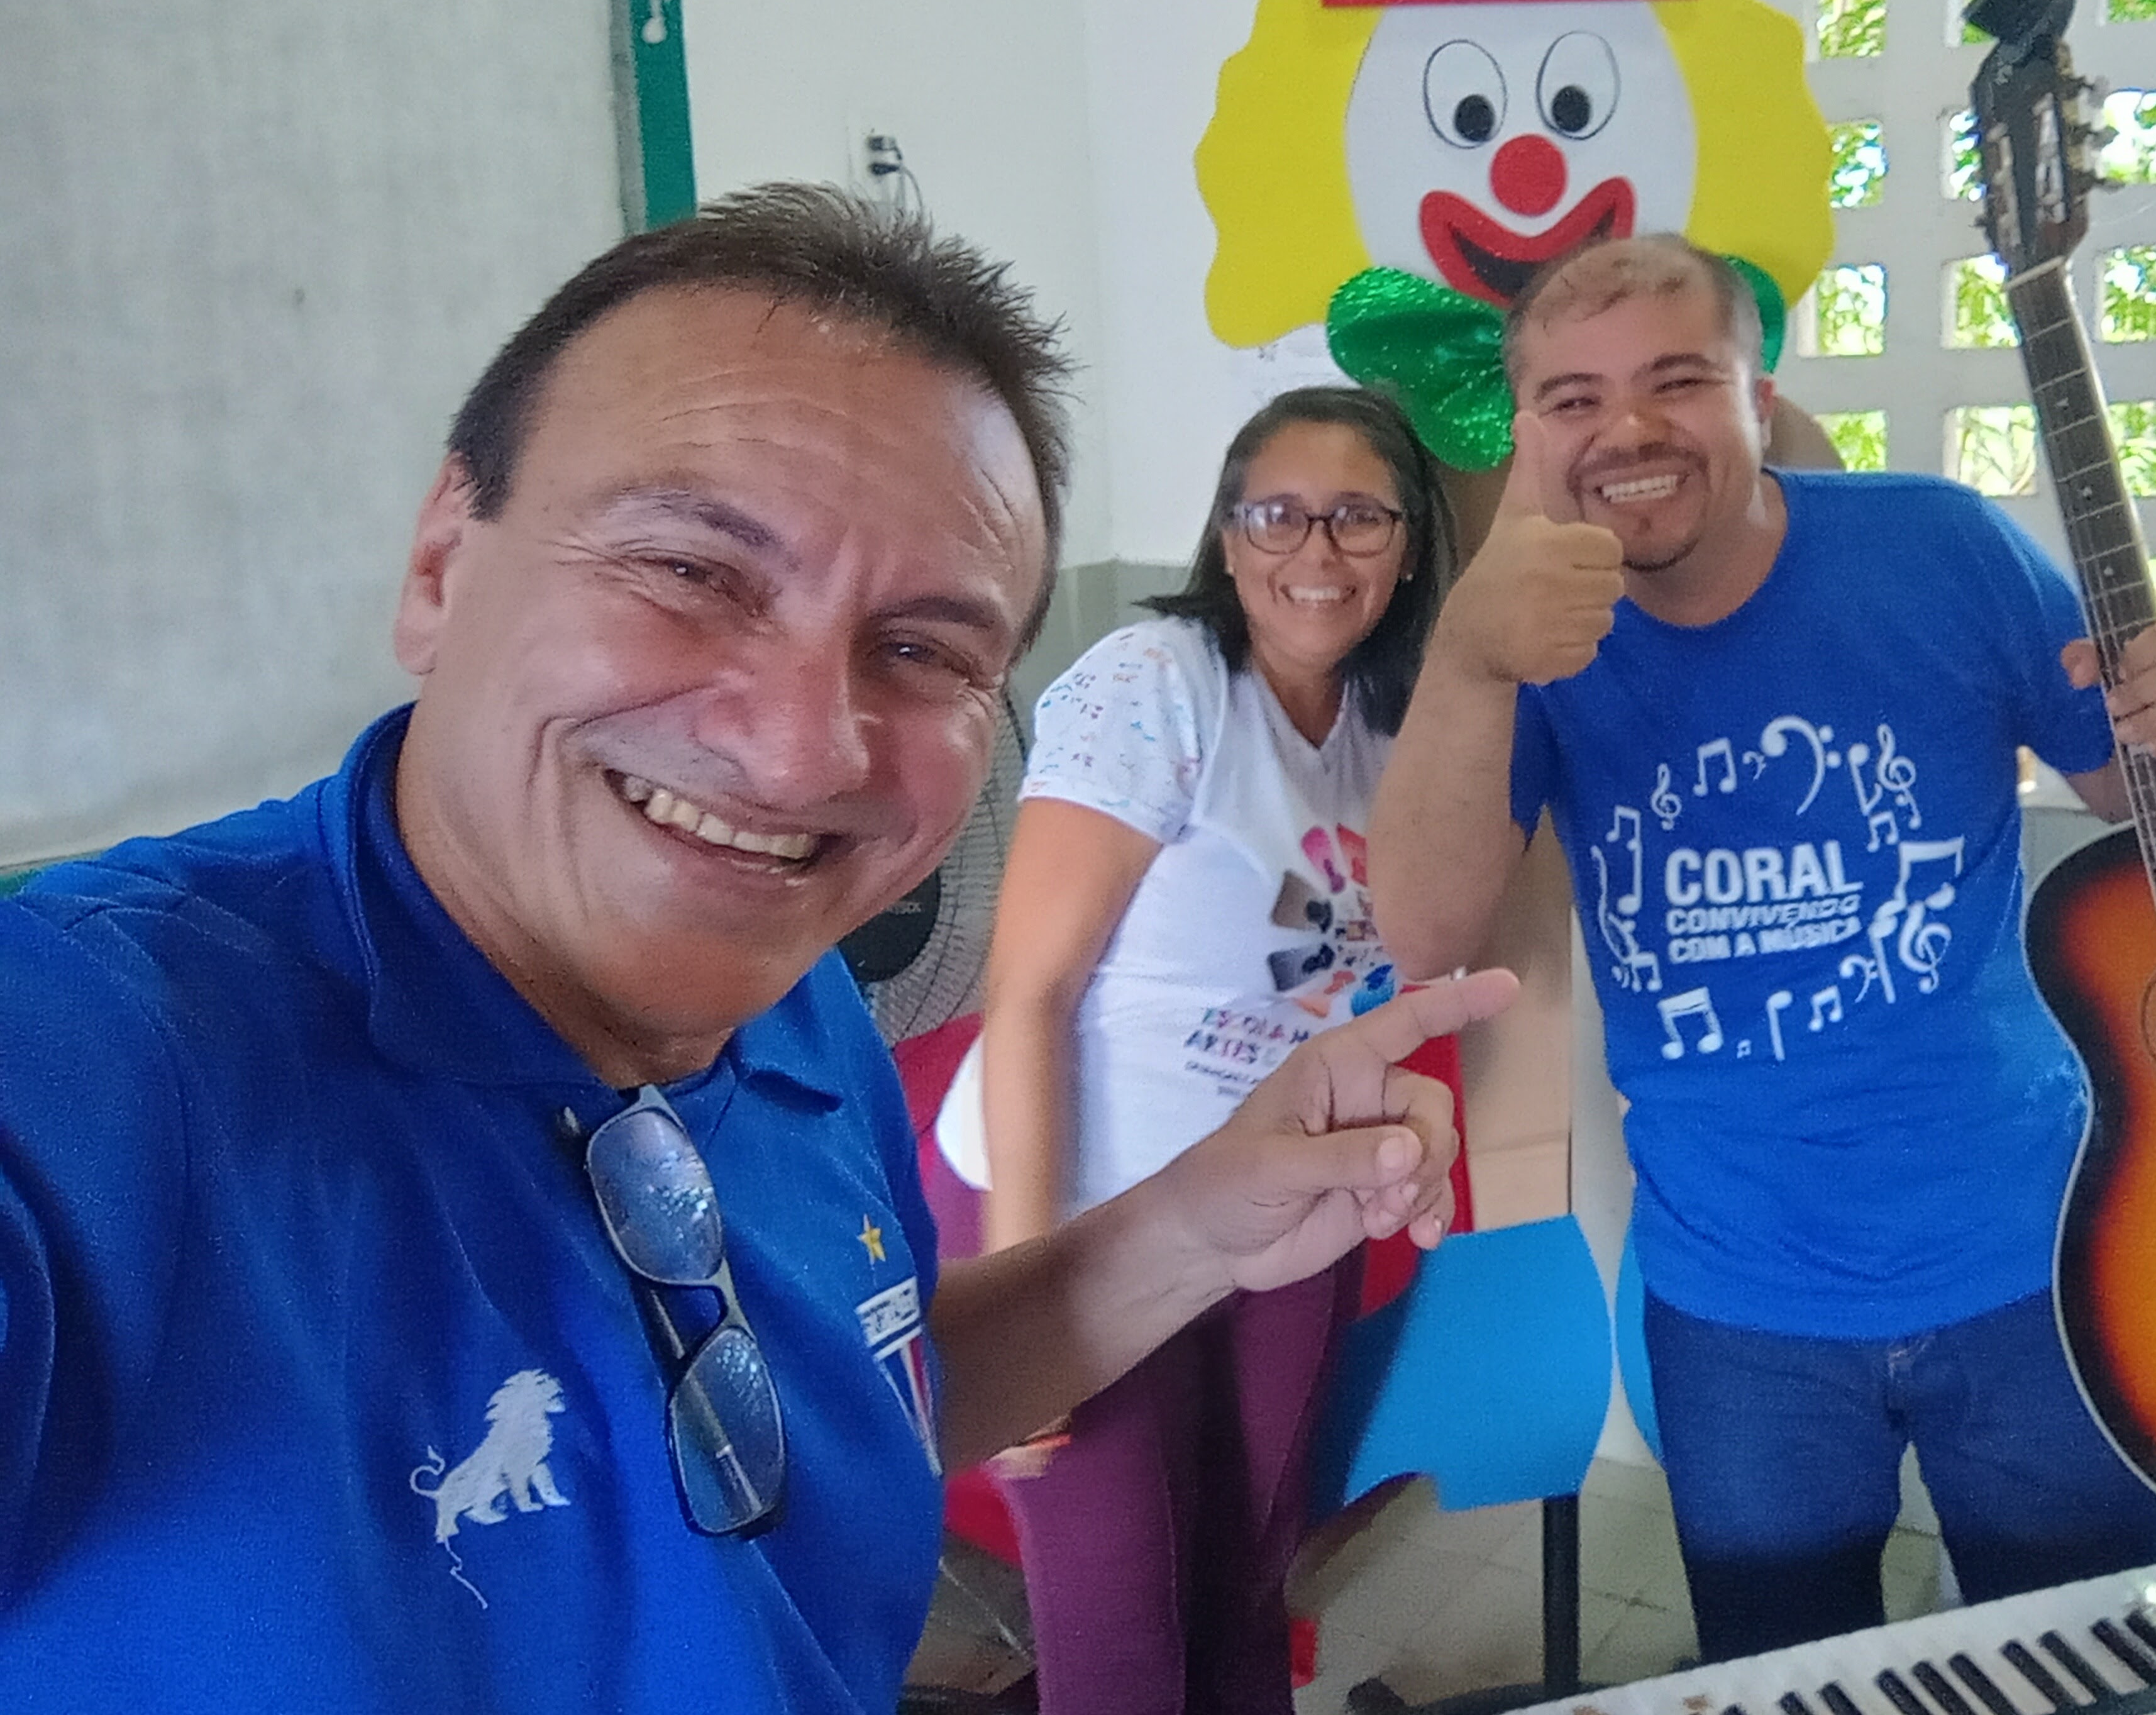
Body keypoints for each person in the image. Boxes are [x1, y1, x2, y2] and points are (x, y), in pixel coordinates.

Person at [0, 186, 1505, 1714]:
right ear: (443, 562)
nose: (799, 756)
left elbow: (854, 1388)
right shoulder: (105, 1054)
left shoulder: (801, 1005)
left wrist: (1195, 1224)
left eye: (921, 650)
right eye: (690, 573)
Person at [1369, 233, 2156, 1663]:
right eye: (1576, 400)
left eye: (1677, 381)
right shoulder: (1523, 636)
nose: (1628, 430)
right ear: (1527, 434)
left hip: (2027, 1260)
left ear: (1759, 396)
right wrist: (1470, 655)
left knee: (2091, 1672)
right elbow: (1422, 928)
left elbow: (2146, 795)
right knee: (1787, 1677)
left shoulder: (1941, 548)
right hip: (1739, 1306)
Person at [936, 384, 1451, 1715]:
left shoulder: (1396, 730)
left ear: (1408, 547)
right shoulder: (1158, 685)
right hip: (1080, 1208)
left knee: (1246, 1589)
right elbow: (1030, 992)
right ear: (1227, 537)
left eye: (1358, 516)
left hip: (1279, 1215)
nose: (1316, 550)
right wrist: (1030, 1296)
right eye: (1277, 514)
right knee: (1124, 1644)